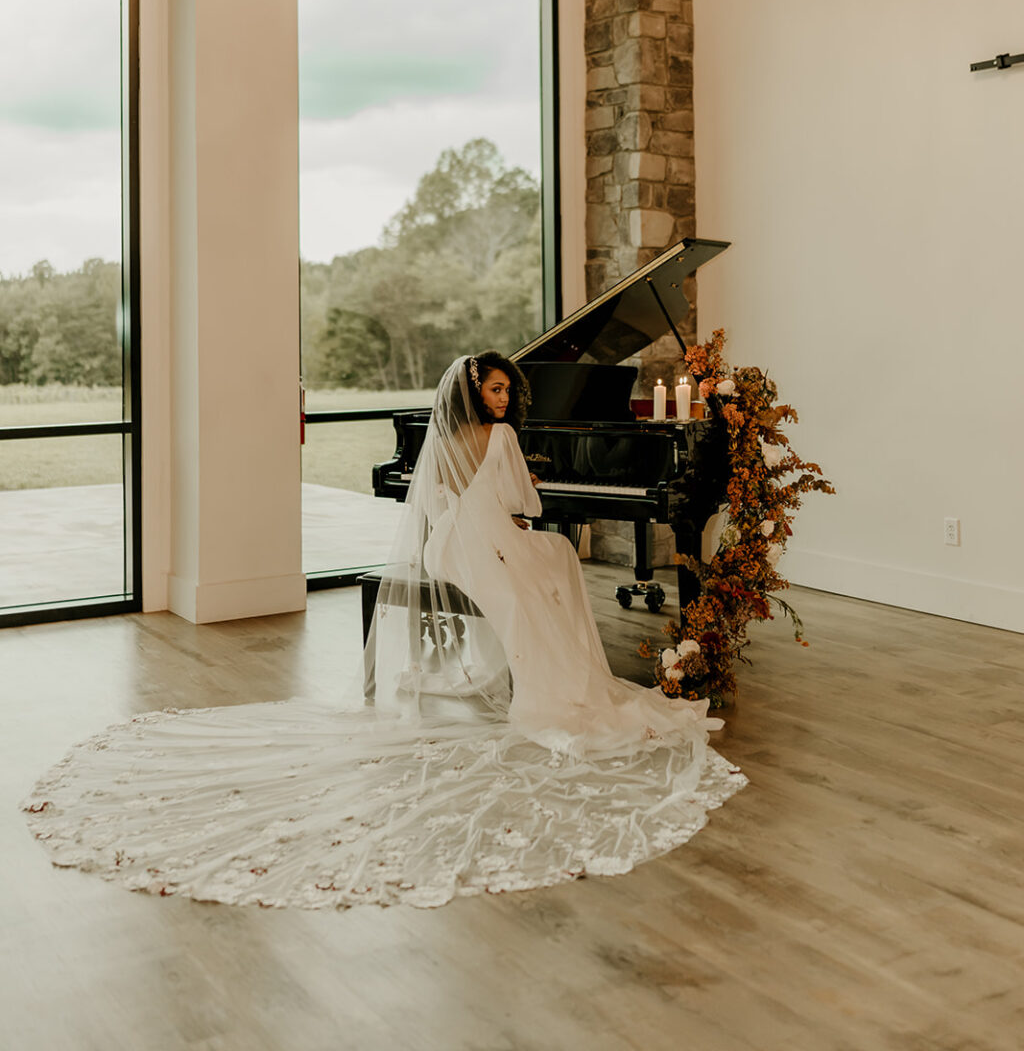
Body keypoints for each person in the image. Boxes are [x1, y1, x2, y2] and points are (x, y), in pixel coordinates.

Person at [21, 355, 745, 910]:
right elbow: (526, 501)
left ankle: (526, 668)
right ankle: (557, 684)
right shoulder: (500, 436)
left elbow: (432, 497)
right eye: (495, 389)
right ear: (480, 394)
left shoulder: (447, 432)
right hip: (486, 539)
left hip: (446, 545)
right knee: (553, 559)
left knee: (544, 564)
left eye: (504, 390)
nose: (502, 398)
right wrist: (523, 501)